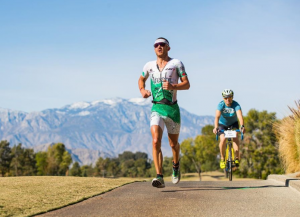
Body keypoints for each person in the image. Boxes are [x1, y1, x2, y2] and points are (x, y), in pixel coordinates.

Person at [138, 37, 190, 188]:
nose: (159, 47)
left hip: (172, 109)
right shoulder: (149, 65)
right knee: (155, 141)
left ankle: (175, 165)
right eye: (156, 45)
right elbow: (141, 79)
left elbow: (187, 84)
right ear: (154, 49)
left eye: (162, 44)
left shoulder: (176, 64)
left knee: (173, 144)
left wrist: (174, 85)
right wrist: (142, 90)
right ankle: (159, 176)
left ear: (168, 48)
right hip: (157, 108)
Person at [213, 89, 245, 169]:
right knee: (223, 139)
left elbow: (240, 116)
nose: (228, 100)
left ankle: (237, 158)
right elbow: (217, 117)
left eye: (229, 97)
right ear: (223, 98)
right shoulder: (220, 105)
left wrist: (242, 126)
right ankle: (222, 158)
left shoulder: (236, 105)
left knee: (235, 137)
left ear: (232, 97)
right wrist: (216, 127)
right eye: (225, 98)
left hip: (233, 124)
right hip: (222, 124)